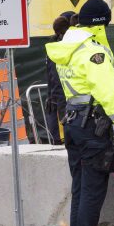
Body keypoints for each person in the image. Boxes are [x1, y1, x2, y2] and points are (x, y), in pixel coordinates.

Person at [45, 0, 114, 226]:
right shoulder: (92, 51)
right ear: (101, 23)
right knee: (93, 191)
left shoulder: (68, 46)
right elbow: (109, 94)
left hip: (74, 123)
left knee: (80, 188)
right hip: (92, 127)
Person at [45, 12, 74, 145]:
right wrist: (51, 95)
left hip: (60, 98)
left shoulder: (53, 46)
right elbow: (53, 76)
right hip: (63, 99)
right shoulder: (59, 46)